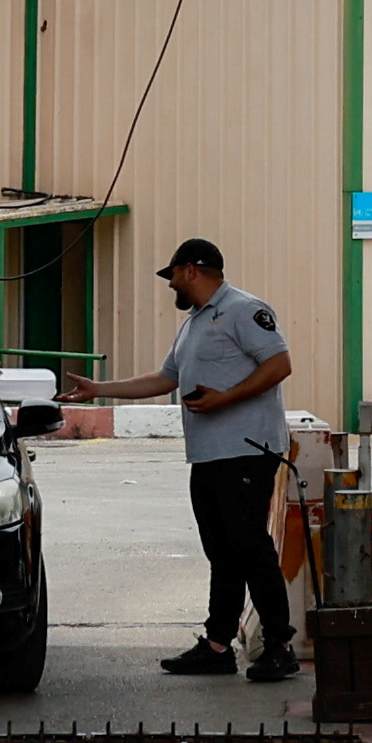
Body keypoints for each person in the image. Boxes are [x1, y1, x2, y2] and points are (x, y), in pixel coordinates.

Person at [84, 236, 294, 679]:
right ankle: (218, 645)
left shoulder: (243, 310)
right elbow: (165, 379)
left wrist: (226, 399)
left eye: (173, 275)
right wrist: (99, 391)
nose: (170, 285)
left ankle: (279, 644)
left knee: (250, 546)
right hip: (210, 455)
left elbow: (278, 365)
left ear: (192, 270)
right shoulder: (196, 322)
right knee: (222, 550)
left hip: (246, 452)